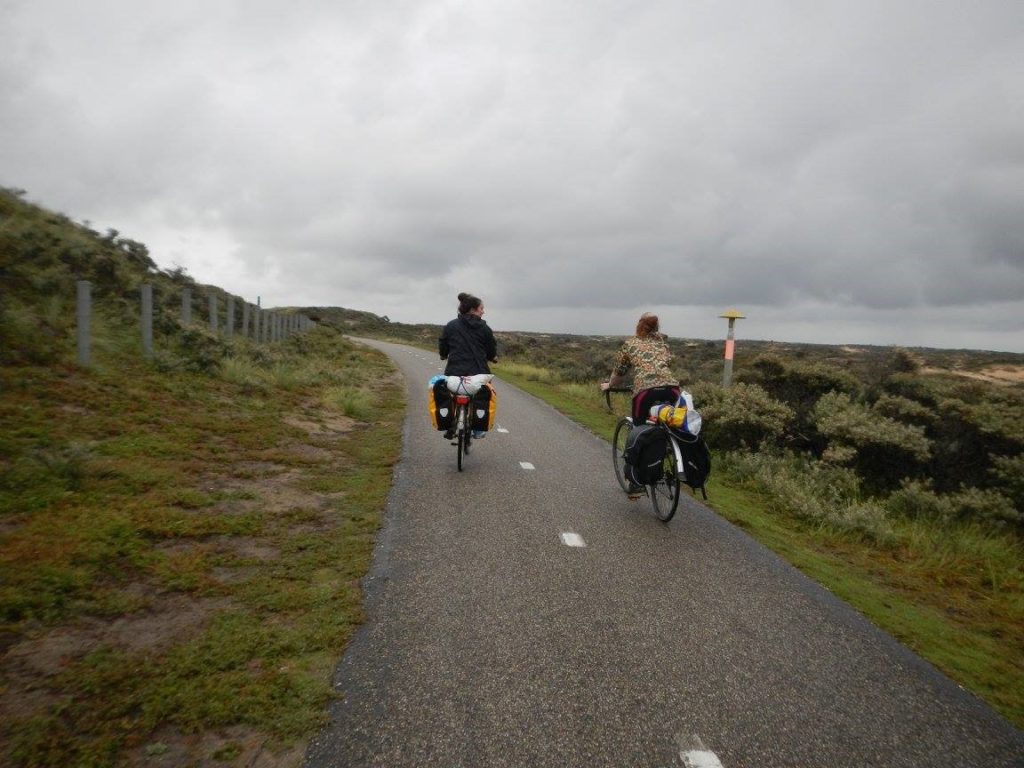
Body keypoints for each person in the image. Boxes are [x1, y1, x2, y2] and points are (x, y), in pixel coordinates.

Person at [601, 313, 680, 494]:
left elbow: (619, 373)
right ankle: (668, 452)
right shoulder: (663, 342)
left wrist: (609, 385)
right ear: (657, 327)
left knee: (639, 430)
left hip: (645, 392)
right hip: (673, 389)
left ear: (639, 326)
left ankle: (636, 482)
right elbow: (666, 362)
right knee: (670, 424)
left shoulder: (631, 344)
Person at [439, 292, 498, 440]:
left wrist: (443, 355)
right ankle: (478, 429)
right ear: (473, 310)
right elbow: (491, 348)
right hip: (478, 372)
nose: (483, 311)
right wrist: (492, 357)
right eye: (481, 308)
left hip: (454, 371)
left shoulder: (451, 325)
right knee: (483, 394)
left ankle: (450, 423)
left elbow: (443, 343)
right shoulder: (484, 328)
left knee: (450, 392)